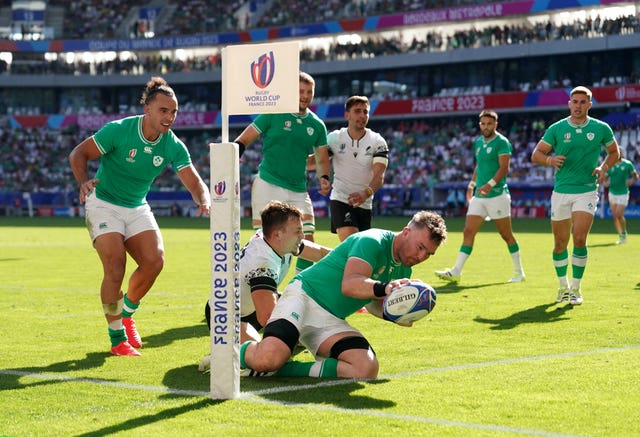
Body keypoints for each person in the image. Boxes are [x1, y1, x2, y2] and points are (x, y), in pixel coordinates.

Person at [68, 77, 211, 356]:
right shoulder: (119, 130)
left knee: (154, 261)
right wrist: (83, 180)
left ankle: (127, 314)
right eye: (163, 111)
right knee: (115, 264)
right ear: (147, 109)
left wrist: (204, 200)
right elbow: (78, 153)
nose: (169, 117)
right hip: (104, 203)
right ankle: (117, 338)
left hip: (136, 206)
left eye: (174, 112)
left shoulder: (173, 145)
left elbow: (194, 182)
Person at [239, 211, 447, 379]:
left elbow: (372, 302)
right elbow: (350, 284)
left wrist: (394, 313)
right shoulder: (372, 240)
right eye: (420, 247)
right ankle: (229, 353)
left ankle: (284, 370)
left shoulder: (404, 270)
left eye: (429, 254)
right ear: (406, 231)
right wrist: (385, 288)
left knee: (366, 369)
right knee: (268, 359)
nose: (421, 257)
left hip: (330, 319)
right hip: (302, 297)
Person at [199, 200, 331, 372]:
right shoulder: (263, 263)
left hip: (251, 306)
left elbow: (321, 253)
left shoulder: (278, 240)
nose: (302, 236)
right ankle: (223, 355)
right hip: (227, 315)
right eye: (298, 231)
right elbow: (267, 317)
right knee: (266, 359)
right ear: (277, 234)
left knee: (304, 307)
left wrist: (349, 259)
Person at [234, 71, 331, 273]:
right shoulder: (274, 113)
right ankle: (257, 286)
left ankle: (299, 288)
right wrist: (230, 155)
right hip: (267, 185)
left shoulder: (317, 125)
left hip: (298, 190)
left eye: (309, 92)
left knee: (307, 238)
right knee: (266, 242)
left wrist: (324, 178)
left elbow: (322, 158)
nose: (305, 95)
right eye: (300, 91)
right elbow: (244, 139)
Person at [531, 86, 620, 305]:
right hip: (561, 191)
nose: (578, 105)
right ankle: (562, 287)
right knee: (560, 242)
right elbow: (536, 154)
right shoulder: (557, 128)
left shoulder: (601, 128)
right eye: (574, 101)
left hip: (587, 190)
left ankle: (576, 289)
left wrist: (603, 168)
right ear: (569, 103)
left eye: (583, 102)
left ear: (590, 104)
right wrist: (550, 160)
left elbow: (614, 152)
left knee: (579, 238)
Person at [435, 110, 525, 284]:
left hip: (497, 195)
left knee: (506, 235)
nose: (486, 126)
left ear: (496, 125)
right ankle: (456, 271)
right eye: (483, 123)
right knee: (468, 232)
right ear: (479, 125)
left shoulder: (502, 142)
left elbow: (504, 168)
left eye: (489, 123)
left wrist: (489, 184)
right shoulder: (478, 142)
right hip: (479, 196)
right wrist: (471, 185)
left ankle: (519, 272)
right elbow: (480, 166)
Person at [326, 95, 389, 241]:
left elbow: (379, 175)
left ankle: (333, 262)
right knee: (353, 243)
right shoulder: (334, 138)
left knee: (359, 251)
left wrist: (366, 193)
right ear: (347, 114)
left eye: (365, 112)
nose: (362, 115)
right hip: (341, 199)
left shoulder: (378, 141)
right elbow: (317, 161)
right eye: (357, 111)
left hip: (365, 204)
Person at [604, 157, 638, 244]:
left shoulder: (627, 164)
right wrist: (606, 182)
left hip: (623, 193)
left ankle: (624, 233)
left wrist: (631, 180)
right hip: (612, 192)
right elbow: (605, 176)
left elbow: (635, 176)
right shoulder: (610, 164)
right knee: (615, 217)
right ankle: (621, 236)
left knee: (619, 215)